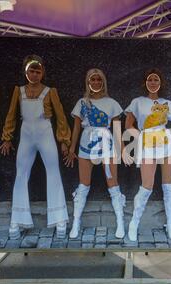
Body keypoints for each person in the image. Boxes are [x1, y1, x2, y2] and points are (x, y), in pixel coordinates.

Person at [0, 54, 72, 240]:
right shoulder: (19, 91)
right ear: (25, 72)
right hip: (26, 136)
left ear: (43, 72)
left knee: (54, 172)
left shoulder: (50, 91)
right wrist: (7, 137)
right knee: (21, 174)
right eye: (31, 70)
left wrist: (64, 140)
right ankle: (17, 219)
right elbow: (11, 115)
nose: (35, 74)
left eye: (38, 71)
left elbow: (61, 116)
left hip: (45, 134)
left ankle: (59, 219)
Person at [124, 68, 171, 241]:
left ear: (161, 83)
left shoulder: (166, 102)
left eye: (156, 80)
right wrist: (140, 136)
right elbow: (128, 124)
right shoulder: (137, 102)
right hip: (148, 143)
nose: (153, 82)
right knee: (147, 186)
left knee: (168, 186)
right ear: (145, 83)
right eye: (150, 79)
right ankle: (134, 223)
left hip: (166, 142)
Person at [67, 68, 125, 239]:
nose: (96, 83)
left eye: (99, 80)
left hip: (107, 145)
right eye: (93, 80)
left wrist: (122, 150)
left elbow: (116, 129)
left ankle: (120, 222)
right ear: (88, 82)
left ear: (103, 82)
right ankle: (76, 222)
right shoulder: (82, 103)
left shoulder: (112, 103)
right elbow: (77, 127)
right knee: (83, 184)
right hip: (86, 144)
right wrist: (71, 148)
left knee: (113, 184)